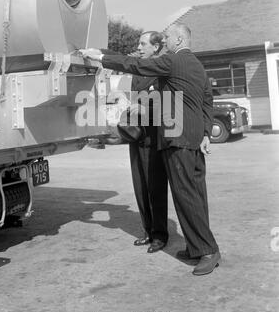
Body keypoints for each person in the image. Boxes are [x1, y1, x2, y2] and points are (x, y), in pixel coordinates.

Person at [80, 23, 221, 276]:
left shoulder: (173, 60)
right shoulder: (197, 65)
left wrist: (100, 57)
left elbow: (135, 65)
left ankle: (208, 251)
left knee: (186, 197)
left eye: (167, 38)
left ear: (179, 40)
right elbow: (207, 101)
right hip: (193, 139)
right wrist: (206, 133)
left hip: (177, 139)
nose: (164, 41)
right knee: (196, 196)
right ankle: (197, 247)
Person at [127, 31, 168, 253]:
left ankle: (160, 235)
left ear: (156, 47)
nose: (139, 47)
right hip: (137, 138)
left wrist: (145, 109)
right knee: (140, 187)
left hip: (154, 139)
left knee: (155, 188)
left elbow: (168, 105)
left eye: (143, 44)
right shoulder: (138, 73)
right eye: (139, 44)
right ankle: (148, 230)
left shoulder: (162, 71)